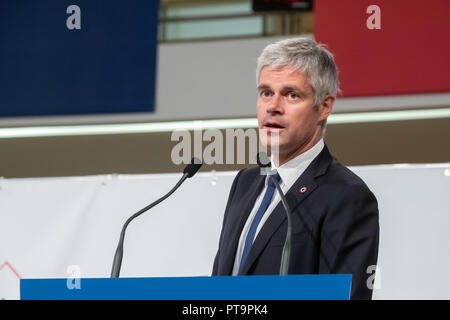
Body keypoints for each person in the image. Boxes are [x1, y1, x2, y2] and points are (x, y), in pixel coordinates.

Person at [212, 37, 379, 300]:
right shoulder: (245, 182)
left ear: (324, 106)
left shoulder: (348, 196)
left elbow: (347, 295)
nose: (273, 107)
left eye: (292, 95)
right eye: (266, 92)